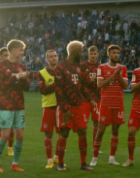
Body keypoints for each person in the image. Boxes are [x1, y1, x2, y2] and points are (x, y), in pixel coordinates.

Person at [54, 41, 97, 171]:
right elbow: (58, 90)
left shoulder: (79, 67)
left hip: (79, 105)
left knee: (83, 132)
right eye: (81, 51)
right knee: (64, 133)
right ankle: (60, 163)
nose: (83, 53)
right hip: (66, 106)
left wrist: (90, 99)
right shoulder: (61, 67)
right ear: (74, 52)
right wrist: (64, 108)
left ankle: (83, 163)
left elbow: (82, 86)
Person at [0, 40, 30, 173]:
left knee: (20, 135)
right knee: (5, 135)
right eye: (21, 50)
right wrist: (16, 77)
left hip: (19, 105)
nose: (22, 52)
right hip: (6, 105)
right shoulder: (0, 66)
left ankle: (15, 163)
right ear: (13, 50)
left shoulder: (22, 66)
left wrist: (25, 79)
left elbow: (26, 88)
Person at [91, 45, 128, 166]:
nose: (116, 55)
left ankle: (112, 158)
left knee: (115, 130)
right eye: (114, 53)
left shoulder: (123, 68)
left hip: (118, 104)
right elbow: (100, 84)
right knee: (100, 130)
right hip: (106, 103)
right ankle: (94, 158)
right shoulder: (101, 67)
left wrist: (119, 75)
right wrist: (114, 75)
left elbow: (125, 86)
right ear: (108, 54)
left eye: (118, 53)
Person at [38, 49, 59, 169]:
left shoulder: (62, 71)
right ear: (47, 59)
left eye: (55, 56)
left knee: (62, 134)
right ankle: (49, 160)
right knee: (48, 134)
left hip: (61, 106)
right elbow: (43, 90)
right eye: (51, 57)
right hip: (48, 106)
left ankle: (57, 157)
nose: (53, 58)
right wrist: (58, 83)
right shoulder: (42, 73)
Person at [0, 48, 15, 154]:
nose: (7, 57)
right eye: (5, 55)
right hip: (0, 102)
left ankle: (10, 148)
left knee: (11, 126)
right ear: (0, 56)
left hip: (11, 101)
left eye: (8, 55)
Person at [81, 46, 101, 149]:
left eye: (94, 54)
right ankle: (84, 145)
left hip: (97, 99)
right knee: (84, 124)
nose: (93, 56)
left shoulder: (101, 67)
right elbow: (80, 84)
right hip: (85, 99)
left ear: (97, 55)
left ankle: (95, 147)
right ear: (88, 54)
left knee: (97, 123)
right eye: (91, 54)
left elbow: (104, 83)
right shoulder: (82, 66)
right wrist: (89, 80)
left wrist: (98, 80)